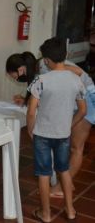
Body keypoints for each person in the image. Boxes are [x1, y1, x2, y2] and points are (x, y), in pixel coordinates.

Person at [5, 50, 95, 197]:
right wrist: (26, 100)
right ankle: (67, 182)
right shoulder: (38, 71)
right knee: (69, 145)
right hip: (75, 101)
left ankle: (61, 187)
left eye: (13, 75)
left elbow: (77, 72)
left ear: (20, 69)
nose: (14, 79)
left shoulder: (44, 65)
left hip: (87, 98)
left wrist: (31, 128)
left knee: (76, 148)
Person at [27, 37, 86, 222]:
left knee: (44, 174)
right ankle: (70, 211)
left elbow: (31, 111)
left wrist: (31, 130)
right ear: (66, 56)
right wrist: (69, 125)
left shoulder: (41, 80)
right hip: (63, 134)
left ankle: (45, 214)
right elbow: (82, 110)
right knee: (64, 171)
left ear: (46, 60)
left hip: (42, 134)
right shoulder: (76, 80)